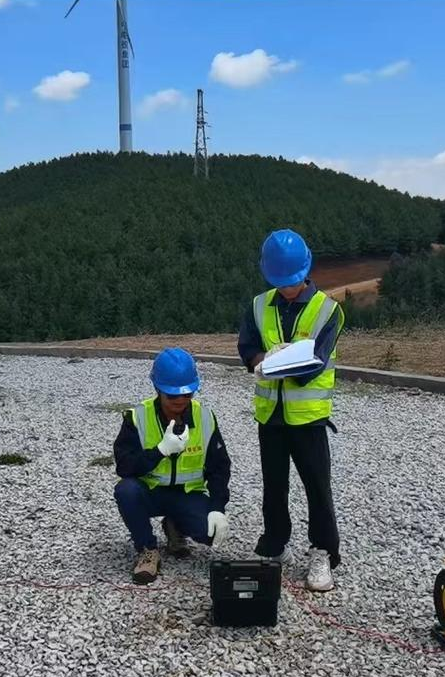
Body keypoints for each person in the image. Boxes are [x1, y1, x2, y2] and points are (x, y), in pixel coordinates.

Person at [238, 228, 345, 592]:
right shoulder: (257, 305)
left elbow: (315, 362)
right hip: (270, 417)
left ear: (306, 272)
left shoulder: (328, 310)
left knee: (317, 487)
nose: (287, 288)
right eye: (280, 282)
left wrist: (284, 362)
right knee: (274, 486)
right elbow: (247, 346)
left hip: (308, 419)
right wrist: (259, 361)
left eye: (293, 281)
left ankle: (323, 552)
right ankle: (273, 543)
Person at [112, 347, 232, 584]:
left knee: (209, 533)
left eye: (186, 395)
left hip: (188, 495)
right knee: (126, 490)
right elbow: (124, 467)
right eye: (172, 396)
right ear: (158, 390)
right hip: (150, 492)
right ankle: (147, 549)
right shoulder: (138, 417)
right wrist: (160, 451)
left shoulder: (205, 417)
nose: (180, 401)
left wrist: (218, 507)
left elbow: (219, 467)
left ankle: (175, 526)